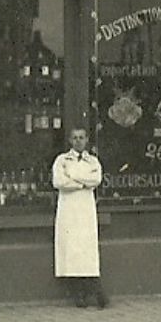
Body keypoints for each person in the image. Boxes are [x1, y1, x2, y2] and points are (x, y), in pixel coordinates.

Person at [52, 127, 108, 308]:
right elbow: (59, 182)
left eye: (81, 138)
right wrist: (83, 183)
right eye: (75, 138)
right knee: (72, 250)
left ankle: (95, 292)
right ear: (70, 140)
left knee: (87, 249)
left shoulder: (92, 161)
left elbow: (96, 179)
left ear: (87, 140)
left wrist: (73, 177)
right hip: (68, 210)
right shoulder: (62, 160)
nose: (78, 141)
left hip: (85, 210)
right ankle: (79, 294)